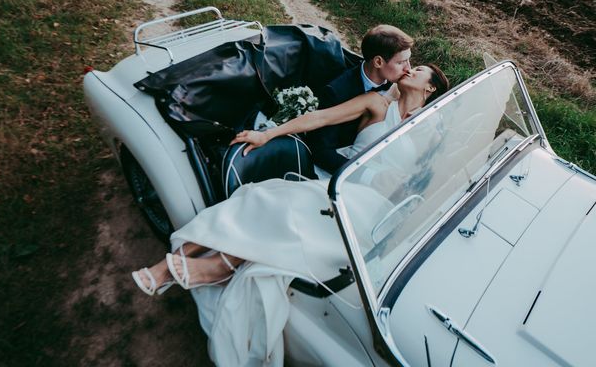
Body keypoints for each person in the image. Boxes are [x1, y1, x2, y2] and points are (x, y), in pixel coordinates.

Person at [132, 64, 449, 366]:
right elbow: (320, 118)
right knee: (266, 199)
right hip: (343, 186)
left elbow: (419, 177)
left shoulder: (431, 124)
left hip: (376, 207)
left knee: (283, 209)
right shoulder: (376, 103)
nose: (409, 68)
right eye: (409, 64)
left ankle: (210, 266)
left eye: (418, 70)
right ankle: (197, 266)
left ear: (430, 87)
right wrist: (267, 135)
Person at [307, 24, 413, 174]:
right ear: (378, 62)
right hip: (343, 169)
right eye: (401, 62)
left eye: (409, 60)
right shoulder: (337, 92)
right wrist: (366, 175)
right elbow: (320, 150)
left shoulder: (402, 85)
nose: (408, 68)